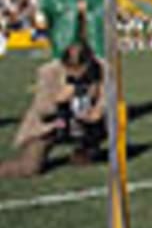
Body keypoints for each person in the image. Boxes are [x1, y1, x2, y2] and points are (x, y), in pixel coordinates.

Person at [0, 42, 105, 178]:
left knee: (109, 120)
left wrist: (98, 111)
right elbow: (41, 110)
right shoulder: (48, 72)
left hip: (82, 121)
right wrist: (58, 100)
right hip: (50, 125)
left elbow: (108, 96)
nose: (76, 74)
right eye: (71, 69)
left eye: (80, 69)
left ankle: (84, 152)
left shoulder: (102, 68)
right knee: (29, 168)